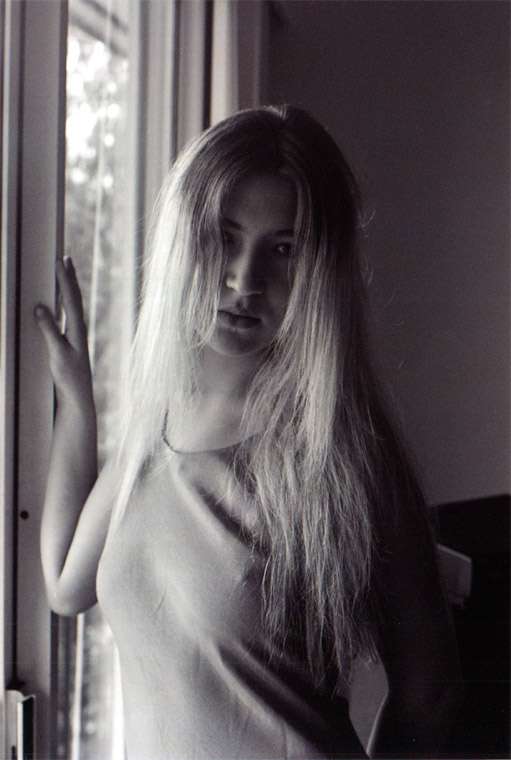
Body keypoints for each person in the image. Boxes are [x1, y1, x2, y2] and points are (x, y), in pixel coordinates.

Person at [36, 105, 461, 759]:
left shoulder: (345, 451)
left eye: (283, 250)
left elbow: (429, 692)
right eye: (224, 237)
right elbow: (69, 583)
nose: (244, 280)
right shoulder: (161, 419)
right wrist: (76, 404)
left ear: (320, 269)